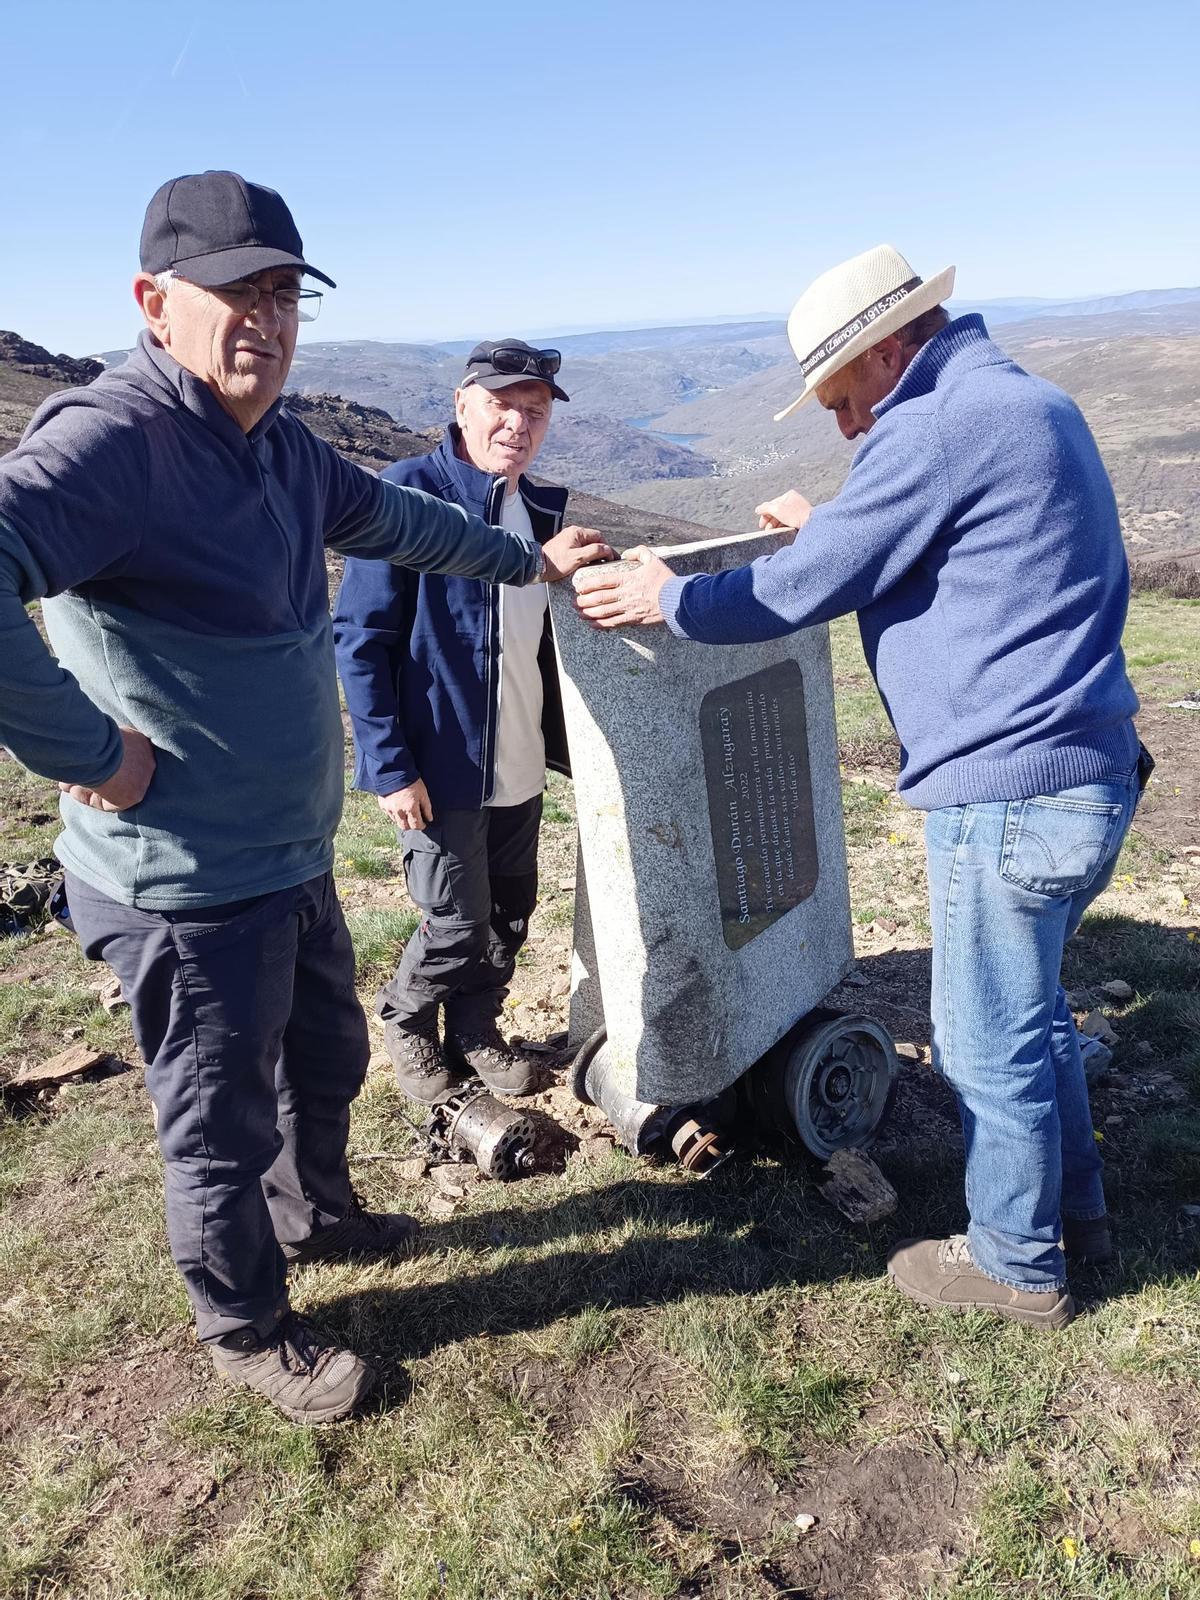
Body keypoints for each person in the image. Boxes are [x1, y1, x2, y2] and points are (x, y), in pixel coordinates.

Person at [0, 170, 609, 1423]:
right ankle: (246, 1327)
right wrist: (89, 752)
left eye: (284, 295)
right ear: (153, 302)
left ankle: (316, 1215)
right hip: (183, 883)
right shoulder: (118, 441)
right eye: (236, 293)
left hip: (286, 856)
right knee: (218, 1122)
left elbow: (402, 521)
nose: (266, 322)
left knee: (323, 1058)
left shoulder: (278, 447)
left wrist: (522, 560)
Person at [574, 243, 1143, 1330]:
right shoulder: (1024, 401)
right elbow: (942, 553)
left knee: (984, 1039)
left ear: (886, 351)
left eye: (840, 401)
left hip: (1008, 791)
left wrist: (666, 599)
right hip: (1087, 771)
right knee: (1033, 1016)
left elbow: (800, 588)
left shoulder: (933, 426)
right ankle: (1080, 1214)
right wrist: (831, 527)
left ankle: (1018, 1264)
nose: (844, 429)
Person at [334, 341, 574, 1103]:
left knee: (509, 912)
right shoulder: (408, 494)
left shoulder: (541, 510)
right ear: (462, 405)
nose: (518, 424)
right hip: (439, 765)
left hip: (520, 756)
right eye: (501, 404)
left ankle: (475, 1030)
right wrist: (390, 767)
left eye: (535, 411)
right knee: (455, 918)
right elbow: (361, 640)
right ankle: (407, 1022)